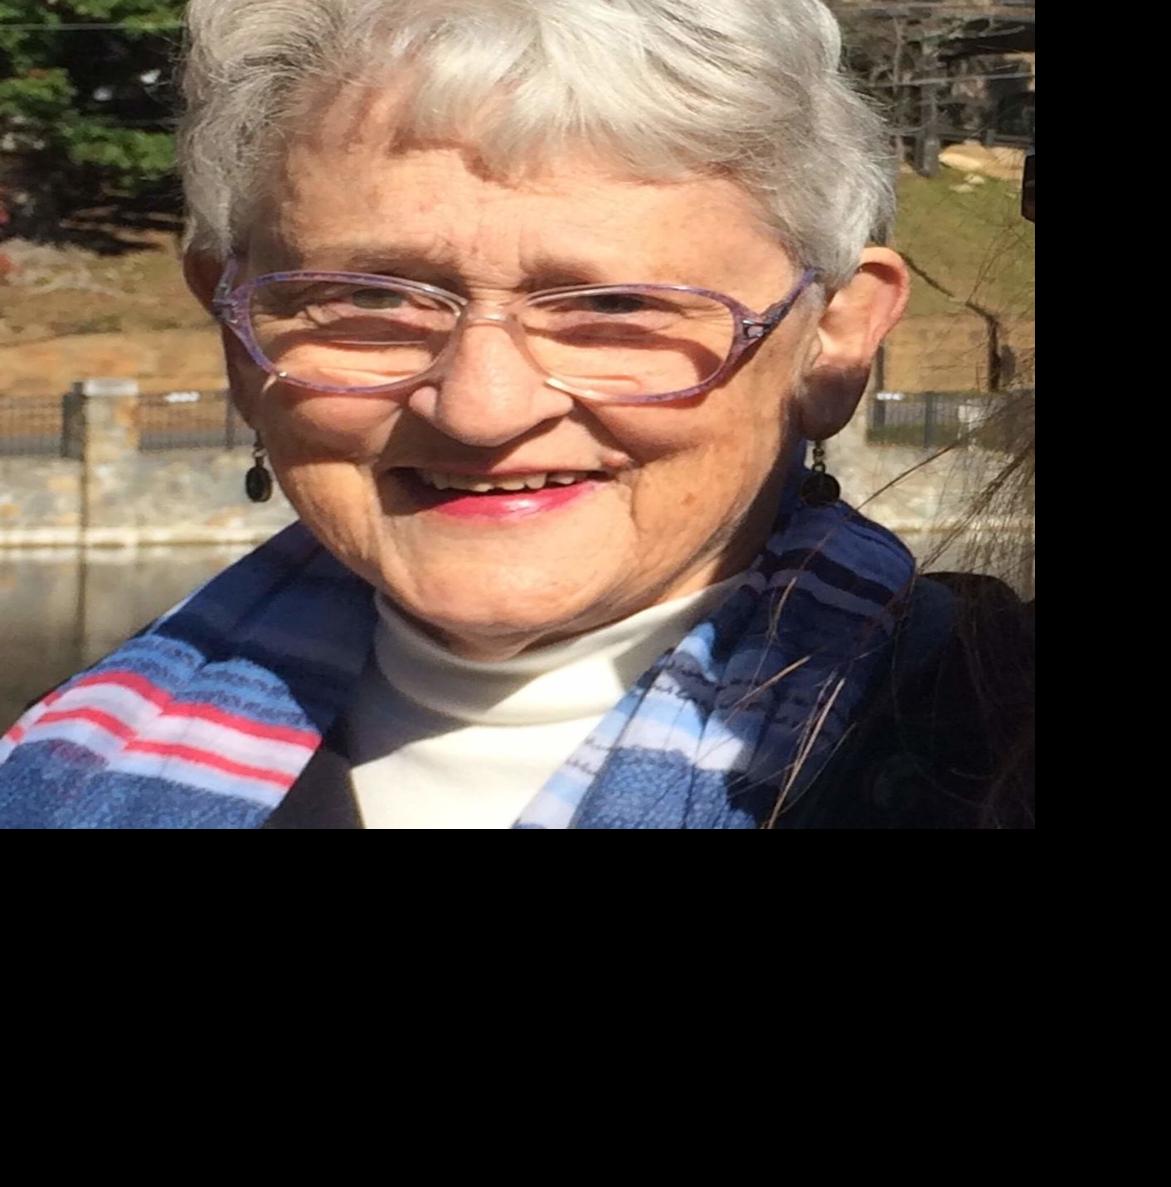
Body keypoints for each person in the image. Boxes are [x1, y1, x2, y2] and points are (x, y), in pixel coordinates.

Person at [0, 0, 1031, 830]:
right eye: (369, 298)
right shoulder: (58, 765)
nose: (481, 410)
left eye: (615, 307)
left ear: (836, 338)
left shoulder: (985, 756)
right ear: (235, 333)